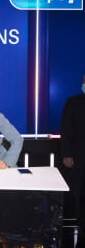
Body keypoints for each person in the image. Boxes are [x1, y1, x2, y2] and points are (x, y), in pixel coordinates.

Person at [60, 75, 85, 246]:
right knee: (81, 193)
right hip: (80, 156)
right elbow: (66, 129)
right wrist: (66, 154)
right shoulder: (73, 102)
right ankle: (82, 226)